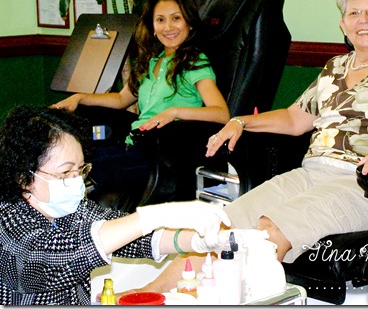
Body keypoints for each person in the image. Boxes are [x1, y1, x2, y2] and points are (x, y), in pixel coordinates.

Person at [121, 0, 368, 295]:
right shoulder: (335, 68)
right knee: (219, 228)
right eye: (354, 12)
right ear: (343, 24)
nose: (363, 20)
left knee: (266, 233)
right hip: (310, 173)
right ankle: (143, 297)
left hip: (362, 184)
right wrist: (241, 121)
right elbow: (293, 119)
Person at [0, 104, 234, 305]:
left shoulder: (70, 210)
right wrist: (155, 215)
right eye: (65, 173)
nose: (76, 181)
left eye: (80, 170)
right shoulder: (7, 224)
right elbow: (58, 256)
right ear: (24, 178)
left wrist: (196, 239)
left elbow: (127, 236)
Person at [53, 0, 230, 206]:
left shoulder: (195, 62)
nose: (168, 27)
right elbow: (120, 99)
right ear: (152, 26)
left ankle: (72, 201)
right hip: (134, 143)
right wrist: (80, 98)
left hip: (164, 155)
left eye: (176, 18)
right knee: (75, 159)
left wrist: (174, 112)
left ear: (189, 23)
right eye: (160, 20)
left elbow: (221, 114)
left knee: (95, 168)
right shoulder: (150, 62)